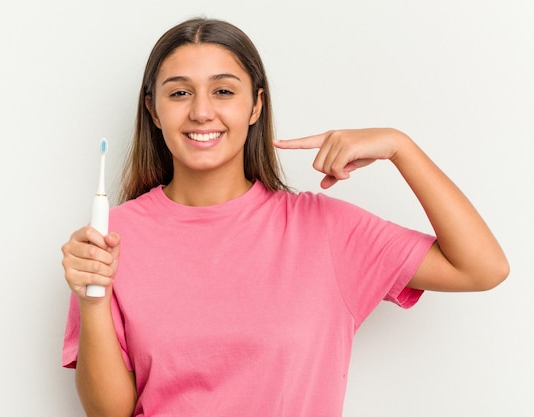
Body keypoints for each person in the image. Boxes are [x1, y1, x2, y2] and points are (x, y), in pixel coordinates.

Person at [60, 17, 509, 417]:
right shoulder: (111, 237)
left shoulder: (325, 230)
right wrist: (93, 299)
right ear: (153, 110)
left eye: (223, 91)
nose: (201, 111)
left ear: (255, 105)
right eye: (179, 92)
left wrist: (399, 147)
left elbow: (482, 267)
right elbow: (109, 412)